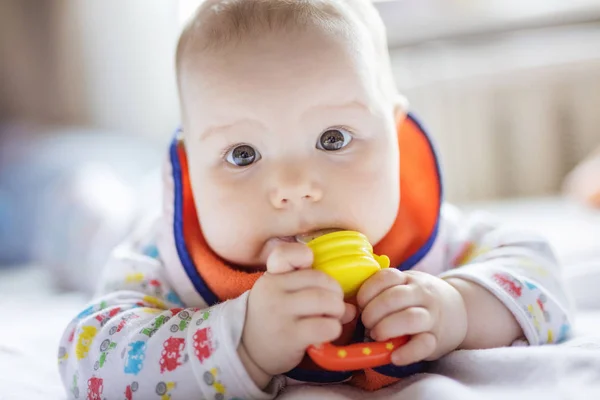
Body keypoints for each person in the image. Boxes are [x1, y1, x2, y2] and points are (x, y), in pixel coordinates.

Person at [58, 1, 573, 398]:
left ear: (393, 138)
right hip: (121, 223)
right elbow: (88, 357)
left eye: (333, 139)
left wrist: (459, 307)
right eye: (242, 154)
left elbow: (540, 273)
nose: (293, 187)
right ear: (193, 167)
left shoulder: (429, 238)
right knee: (94, 227)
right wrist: (241, 340)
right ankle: (80, 198)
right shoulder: (166, 263)